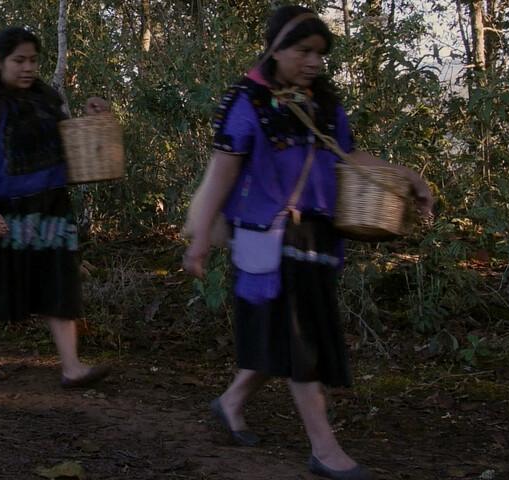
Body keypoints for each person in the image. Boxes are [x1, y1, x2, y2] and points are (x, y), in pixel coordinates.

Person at [180, 7, 434, 479]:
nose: (314, 61)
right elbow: (221, 175)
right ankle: (325, 449)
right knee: (302, 341)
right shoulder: (246, 102)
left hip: (317, 235)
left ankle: (231, 401)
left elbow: (346, 155)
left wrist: (405, 175)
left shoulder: (323, 103)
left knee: (293, 333)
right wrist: (200, 238)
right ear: (276, 50)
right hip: (270, 238)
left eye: (320, 53)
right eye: (304, 51)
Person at [0, 27, 111, 388]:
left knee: (59, 282)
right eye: (19, 61)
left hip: (50, 209)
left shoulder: (46, 97)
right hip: (2, 210)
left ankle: (72, 366)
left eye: (33, 60)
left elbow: (65, 141)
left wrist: (92, 118)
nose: (28, 68)